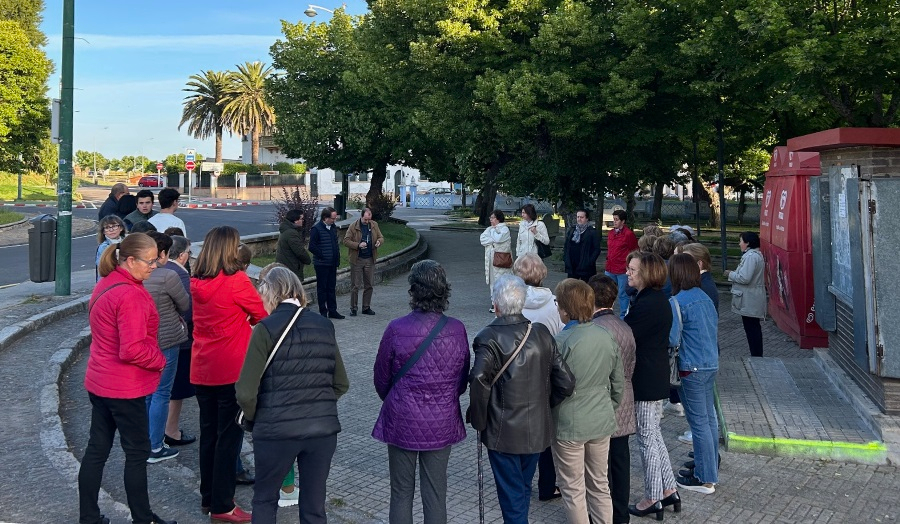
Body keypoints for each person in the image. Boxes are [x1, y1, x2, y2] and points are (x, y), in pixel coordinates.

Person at [236, 266, 349, 524]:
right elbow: (341, 383)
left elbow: (245, 391)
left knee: (264, 500)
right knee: (314, 505)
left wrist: (257, 417)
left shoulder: (264, 329)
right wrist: (318, 405)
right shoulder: (324, 325)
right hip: (321, 430)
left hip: (275, 430)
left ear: (270, 293)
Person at [78, 233, 175, 524]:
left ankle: (89, 517)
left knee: (97, 450)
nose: (154, 266)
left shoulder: (106, 283)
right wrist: (160, 360)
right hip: (124, 387)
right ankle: (143, 518)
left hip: (99, 380)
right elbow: (132, 349)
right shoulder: (130, 294)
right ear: (130, 260)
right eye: (150, 261)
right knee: (137, 453)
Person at [469, 274, 576, 524]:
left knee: (513, 495)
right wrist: (544, 405)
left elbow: (478, 380)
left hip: (503, 432)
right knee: (523, 488)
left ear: (496, 304)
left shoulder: (487, 337)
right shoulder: (540, 332)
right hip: (537, 430)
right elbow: (567, 382)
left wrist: (479, 420)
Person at [372, 260, 469, 524]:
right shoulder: (457, 329)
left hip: (402, 418)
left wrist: (397, 398)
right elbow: (461, 381)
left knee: (401, 492)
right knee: (436, 494)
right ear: (443, 290)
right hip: (441, 420)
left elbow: (381, 378)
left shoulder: (396, 328)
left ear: (413, 290)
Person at [191, 226, 268, 523]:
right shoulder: (236, 281)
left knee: (209, 435)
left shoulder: (196, 282)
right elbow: (262, 315)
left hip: (202, 366)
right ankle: (223, 504)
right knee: (229, 439)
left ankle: (208, 497)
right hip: (230, 368)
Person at [552, 278, 624, 524]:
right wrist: (608, 408)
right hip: (600, 419)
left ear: (565, 309)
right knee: (600, 484)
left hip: (570, 423)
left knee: (573, 489)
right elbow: (618, 383)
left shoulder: (561, 343)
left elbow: (551, 387)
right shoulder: (606, 335)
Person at [622, 252, 678, 521]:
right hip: (654, 375)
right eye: (628, 268)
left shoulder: (648, 304)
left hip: (646, 377)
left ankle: (652, 497)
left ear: (646, 273)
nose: (628, 273)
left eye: (633, 269)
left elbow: (626, 334)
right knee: (653, 434)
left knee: (646, 438)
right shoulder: (653, 300)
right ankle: (669, 489)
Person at [667, 254, 720, 496]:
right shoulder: (706, 298)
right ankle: (706, 466)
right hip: (710, 364)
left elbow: (672, 339)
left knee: (699, 423)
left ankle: (705, 479)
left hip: (691, 367)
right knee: (709, 420)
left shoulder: (677, 301)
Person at [513, 253, 564, 501]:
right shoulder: (555, 303)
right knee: (546, 431)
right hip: (546, 373)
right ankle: (547, 484)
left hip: (517, 374)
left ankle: (520, 482)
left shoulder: (514, 302)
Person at [588, 274, 637, 524]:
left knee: (600, 465)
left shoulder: (596, 329)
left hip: (605, 402)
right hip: (625, 399)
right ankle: (621, 514)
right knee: (620, 461)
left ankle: (603, 513)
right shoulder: (624, 326)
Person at [142, 232, 190, 464]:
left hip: (143, 338)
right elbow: (184, 304)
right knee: (162, 392)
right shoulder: (168, 276)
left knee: (147, 393)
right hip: (167, 338)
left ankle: (144, 440)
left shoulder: (136, 275)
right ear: (161, 253)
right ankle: (155, 445)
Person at [161, 235, 197, 448]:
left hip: (161, 336)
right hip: (180, 339)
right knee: (176, 389)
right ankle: (171, 430)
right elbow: (188, 310)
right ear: (183, 255)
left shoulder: (160, 270)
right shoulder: (180, 276)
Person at [725, 232, 766, 357]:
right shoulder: (753, 256)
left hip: (750, 298)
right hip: (751, 297)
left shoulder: (751, 257)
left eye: (741, 241)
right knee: (752, 327)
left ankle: (756, 355)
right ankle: (756, 354)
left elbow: (745, 278)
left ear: (747, 243)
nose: (739, 244)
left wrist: (730, 274)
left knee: (752, 328)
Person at [344, 207, 384, 316]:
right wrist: (357, 245)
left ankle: (366, 307)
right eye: (365, 219)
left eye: (369, 219)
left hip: (370, 259)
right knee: (355, 285)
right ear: (361, 216)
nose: (367, 221)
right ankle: (354, 308)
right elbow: (346, 241)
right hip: (357, 259)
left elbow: (381, 237)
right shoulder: (353, 226)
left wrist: (379, 242)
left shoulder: (374, 225)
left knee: (369, 284)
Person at [309, 207, 344, 319]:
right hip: (321, 264)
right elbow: (312, 246)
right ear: (325, 218)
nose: (334, 220)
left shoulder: (333, 228)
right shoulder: (316, 229)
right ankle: (323, 312)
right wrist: (322, 255)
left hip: (332, 263)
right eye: (332, 218)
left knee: (331, 288)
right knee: (322, 289)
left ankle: (332, 310)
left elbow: (335, 245)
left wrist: (336, 258)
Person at [605, 210, 639, 318]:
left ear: (623, 221)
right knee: (606, 292)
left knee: (623, 294)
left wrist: (629, 265)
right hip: (610, 267)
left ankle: (624, 317)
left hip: (621, 269)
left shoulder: (629, 234)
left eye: (616, 220)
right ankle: (605, 314)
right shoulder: (611, 233)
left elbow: (635, 250)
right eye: (613, 219)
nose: (614, 222)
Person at [479, 209, 513, 311]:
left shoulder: (504, 229)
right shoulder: (489, 228)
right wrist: (493, 239)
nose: (491, 220)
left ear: (498, 218)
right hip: (490, 260)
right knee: (492, 282)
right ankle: (494, 303)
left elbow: (499, 239)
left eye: (493, 217)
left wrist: (493, 234)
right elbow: (482, 239)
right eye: (490, 217)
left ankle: (503, 304)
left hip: (501, 261)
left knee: (502, 282)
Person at [563, 209, 601, 282]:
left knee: (586, 289)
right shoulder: (572, 230)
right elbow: (566, 246)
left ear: (587, 219)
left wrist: (589, 262)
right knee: (571, 288)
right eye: (578, 217)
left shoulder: (592, 232)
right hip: (572, 266)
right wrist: (565, 259)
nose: (579, 219)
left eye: (581, 217)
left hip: (586, 267)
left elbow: (597, 249)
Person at [275, 209, 312, 284]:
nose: (303, 221)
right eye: (301, 219)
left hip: (286, 267)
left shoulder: (287, 230)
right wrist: (308, 260)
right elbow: (299, 251)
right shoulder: (291, 233)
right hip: (291, 268)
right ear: (295, 220)